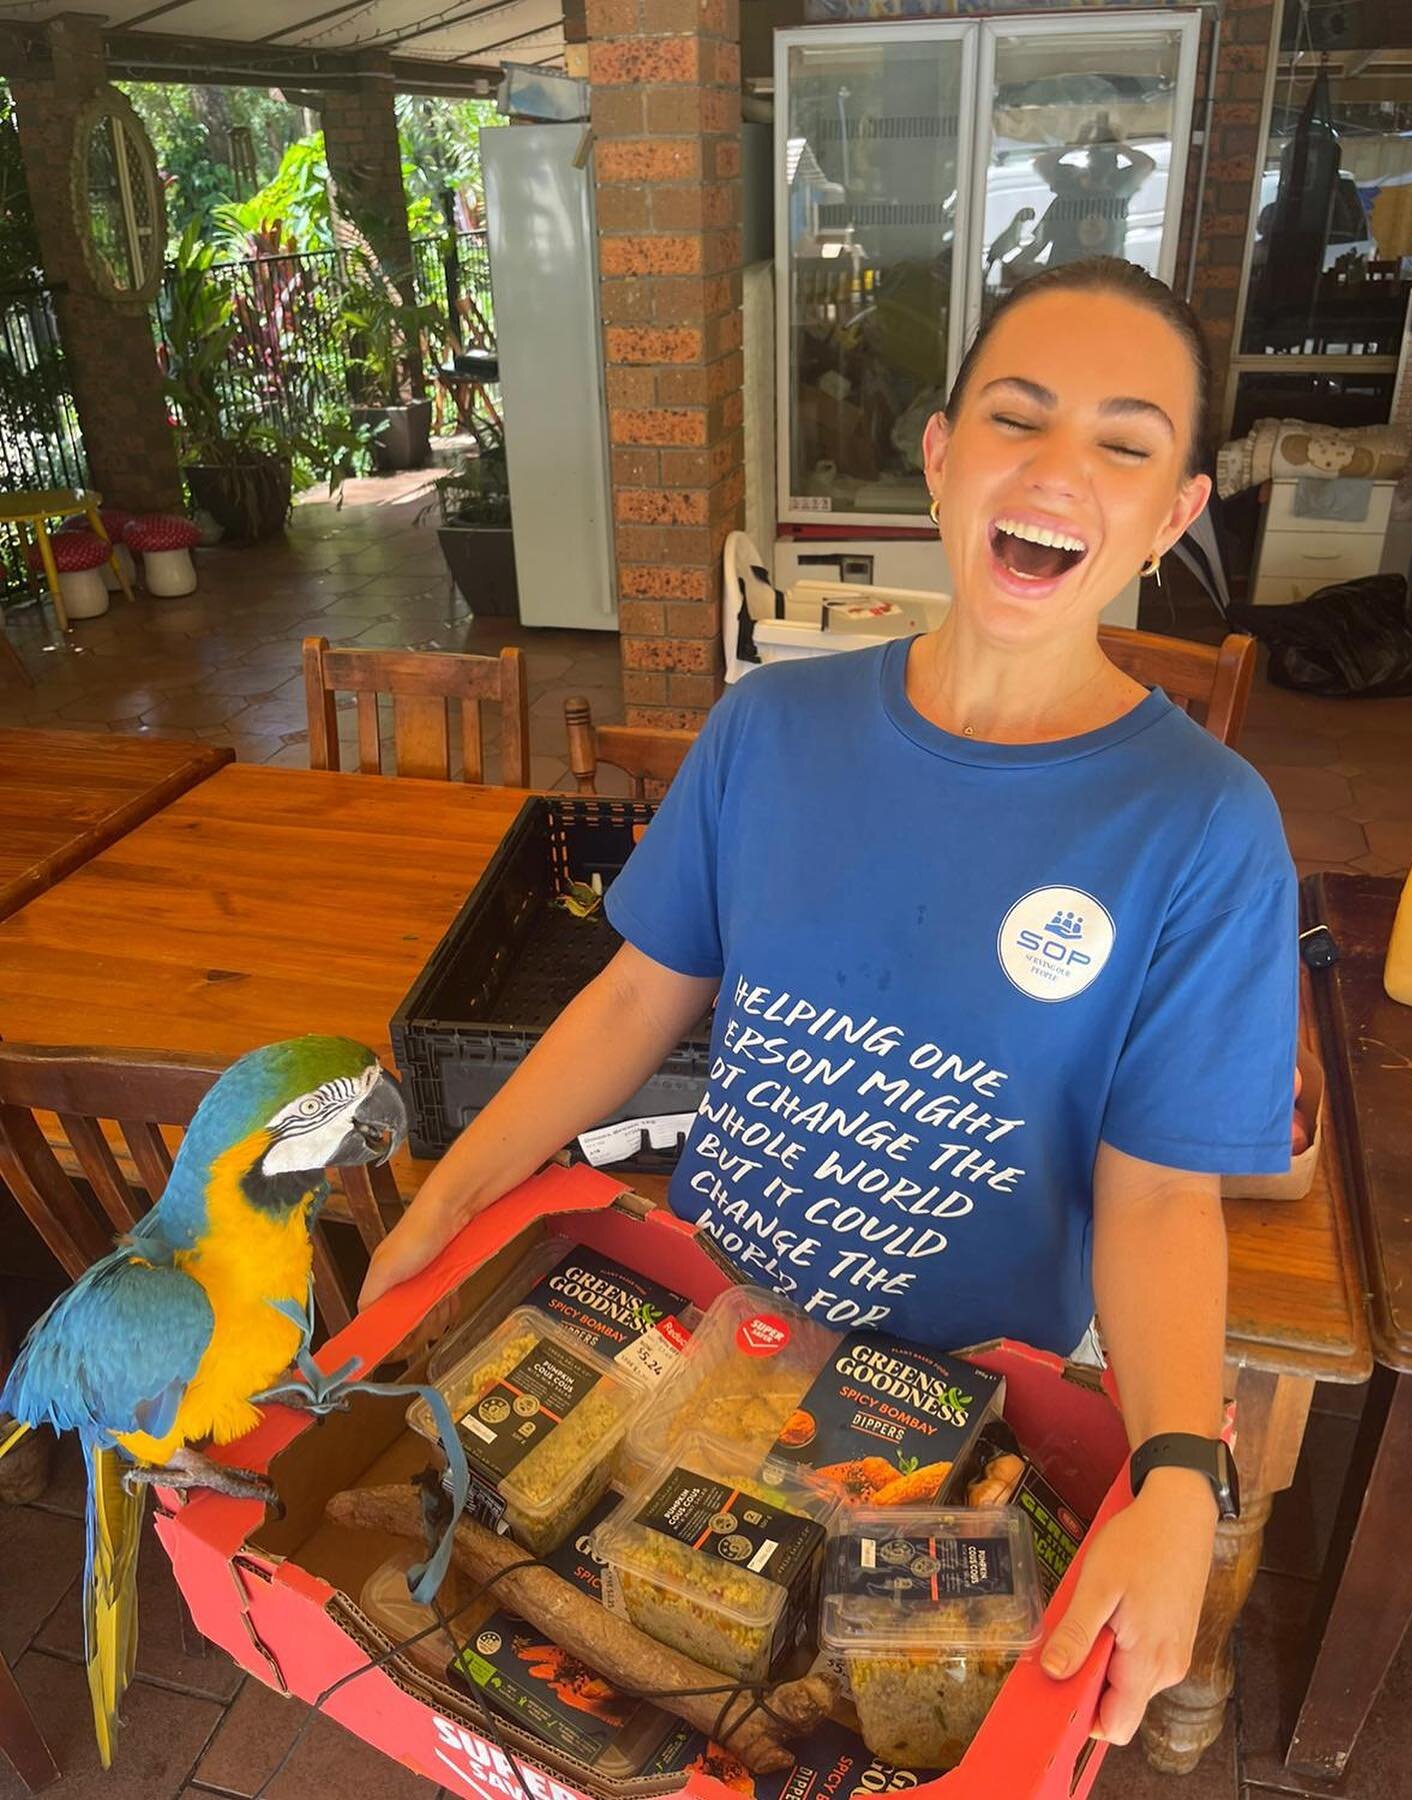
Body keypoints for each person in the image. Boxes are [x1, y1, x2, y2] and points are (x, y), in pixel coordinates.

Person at [362, 258, 1298, 1749]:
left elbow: (1163, 1196)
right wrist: (444, 1195)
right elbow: (630, 1003)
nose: (1059, 470)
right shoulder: (771, 728)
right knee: (642, 1695)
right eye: (1018, 416)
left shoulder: (1201, 827)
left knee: (860, 1731)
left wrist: (1182, 1469)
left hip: (948, 1422)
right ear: (938, 458)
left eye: (1125, 443)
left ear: (1177, 513)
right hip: (704, 1337)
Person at [1006, 114, 1157, 277]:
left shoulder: (1118, 187)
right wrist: (1076, 143)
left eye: (1107, 159)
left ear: (1115, 163)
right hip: (1061, 280)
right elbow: (1042, 164)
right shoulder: (1070, 183)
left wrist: (1115, 145)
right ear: (1088, 158)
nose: (1101, 165)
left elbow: (1146, 164)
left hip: (1104, 280)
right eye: (1095, 155)